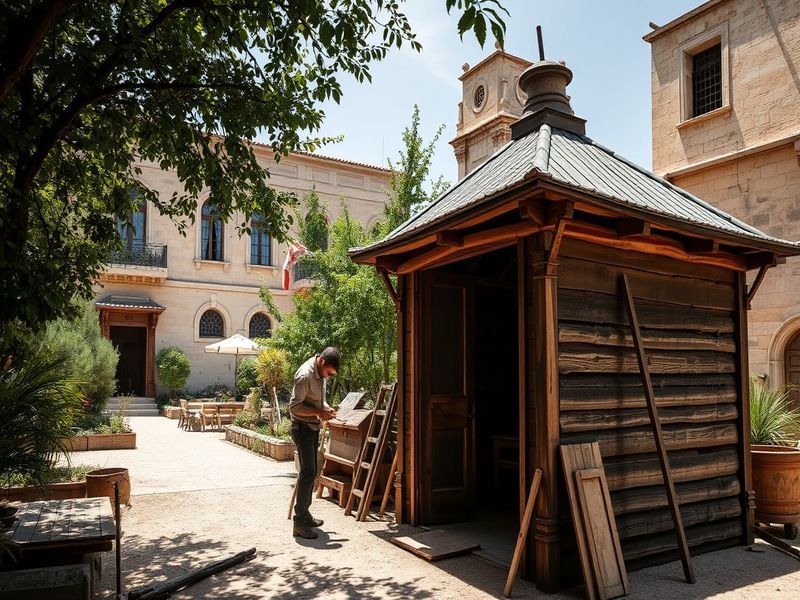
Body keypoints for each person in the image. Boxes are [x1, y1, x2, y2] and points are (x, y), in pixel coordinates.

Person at [289, 346, 339, 539]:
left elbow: (319, 401)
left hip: (312, 428)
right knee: (308, 472)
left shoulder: (321, 373)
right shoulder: (304, 375)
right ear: (322, 362)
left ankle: (305, 513)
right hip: (302, 429)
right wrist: (319, 413)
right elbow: (295, 408)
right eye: (328, 373)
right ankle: (299, 522)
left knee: (311, 472)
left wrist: (325, 408)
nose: (328, 377)